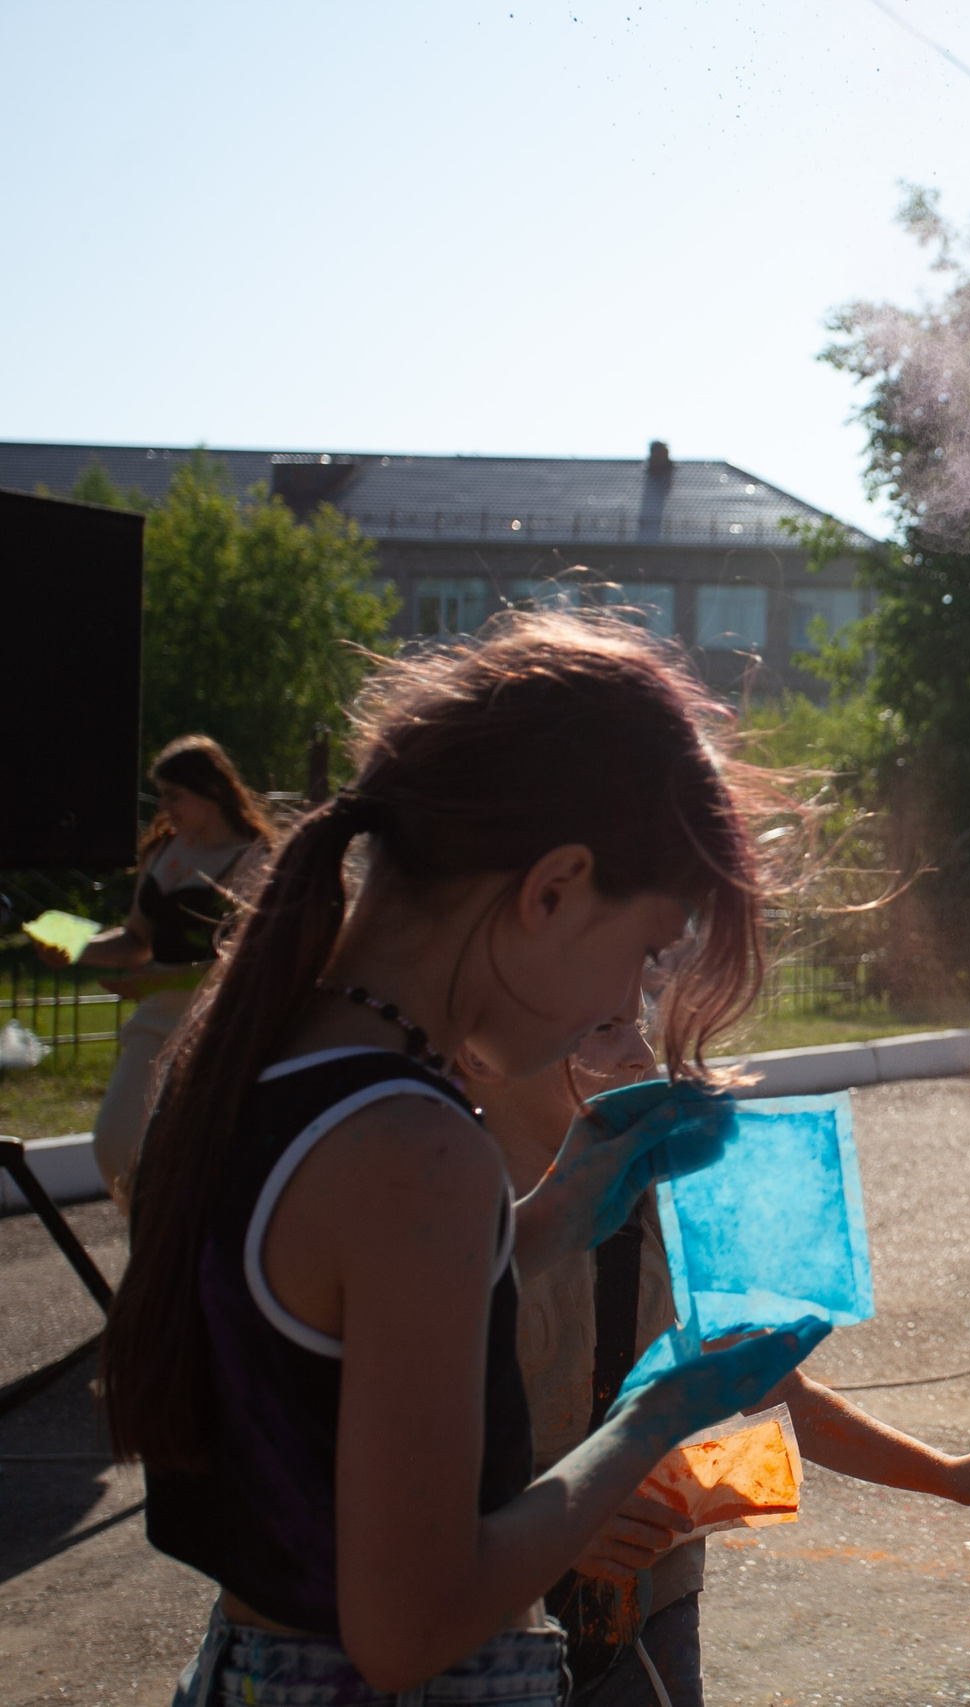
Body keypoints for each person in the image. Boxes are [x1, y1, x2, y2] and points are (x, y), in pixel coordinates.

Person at [100, 612, 832, 1707]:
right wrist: (654, 1414)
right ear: (553, 888)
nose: (623, 1001)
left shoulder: (272, 1055)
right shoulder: (418, 1150)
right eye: (643, 951)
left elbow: (322, 1324)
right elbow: (412, 1628)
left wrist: (550, 1213)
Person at [462, 1017, 970, 1707]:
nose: (637, 1050)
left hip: (648, 1618)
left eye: (636, 1021)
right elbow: (390, 1472)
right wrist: (557, 1526)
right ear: (480, 1052)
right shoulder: (431, 1215)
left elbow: (780, 1391)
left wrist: (947, 1474)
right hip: (490, 1617)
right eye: (597, 1027)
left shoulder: (681, 1195)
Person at [35, 736, 276, 1210]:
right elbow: (134, 943)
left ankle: (182, 1266)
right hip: (156, 1018)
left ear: (210, 791)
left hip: (219, 1023)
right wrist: (75, 947)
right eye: (161, 794)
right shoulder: (161, 850)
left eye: (173, 795)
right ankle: (150, 1256)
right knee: (116, 1145)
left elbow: (249, 962)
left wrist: (158, 980)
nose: (163, 806)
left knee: (203, 1160)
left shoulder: (256, 856)